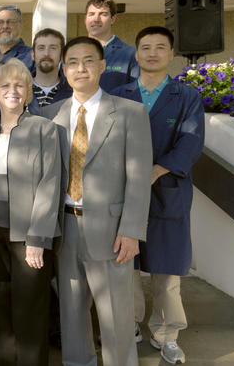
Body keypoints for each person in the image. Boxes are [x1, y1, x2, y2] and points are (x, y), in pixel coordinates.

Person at [42, 36, 152, 366]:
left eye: (89, 60)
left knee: (116, 313)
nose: (81, 68)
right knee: (71, 310)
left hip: (111, 229)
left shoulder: (131, 113)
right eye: (73, 62)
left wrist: (131, 230)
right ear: (64, 69)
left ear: (102, 66)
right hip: (65, 226)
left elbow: (138, 176)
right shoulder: (49, 115)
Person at [111, 26, 204, 365]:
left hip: (168, 192)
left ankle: (167, 334)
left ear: (170, 54)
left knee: (167, 272)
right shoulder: (120, 96)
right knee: (126, 266)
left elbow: (191, 142)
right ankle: (130, 324)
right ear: (136, 55)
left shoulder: (187, 97)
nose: (152, 53)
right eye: (145, 47)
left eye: (160, 47)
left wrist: (156, 170)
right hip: (124, 196)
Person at [0, 59, 61, 365]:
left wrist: (38, 238)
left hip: (29, 236)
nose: (12, 90)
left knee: (30, 310)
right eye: (4, 85)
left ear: (28, 92)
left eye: (19, 85)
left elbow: (51, 184)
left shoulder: (44, 130)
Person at [84, 0, 138, 92]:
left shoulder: (130, 55)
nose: (96, 19)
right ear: (85, 19)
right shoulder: (71, 54)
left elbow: (135, 94)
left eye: (103, 14)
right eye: (91, 14)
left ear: (113, 19)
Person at [28, 28, 72, 114]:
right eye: (41, 48)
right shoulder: (18, 90)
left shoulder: (74, 93)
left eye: (53, 48)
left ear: (62, 56)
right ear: (33, 55)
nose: (46, 53)